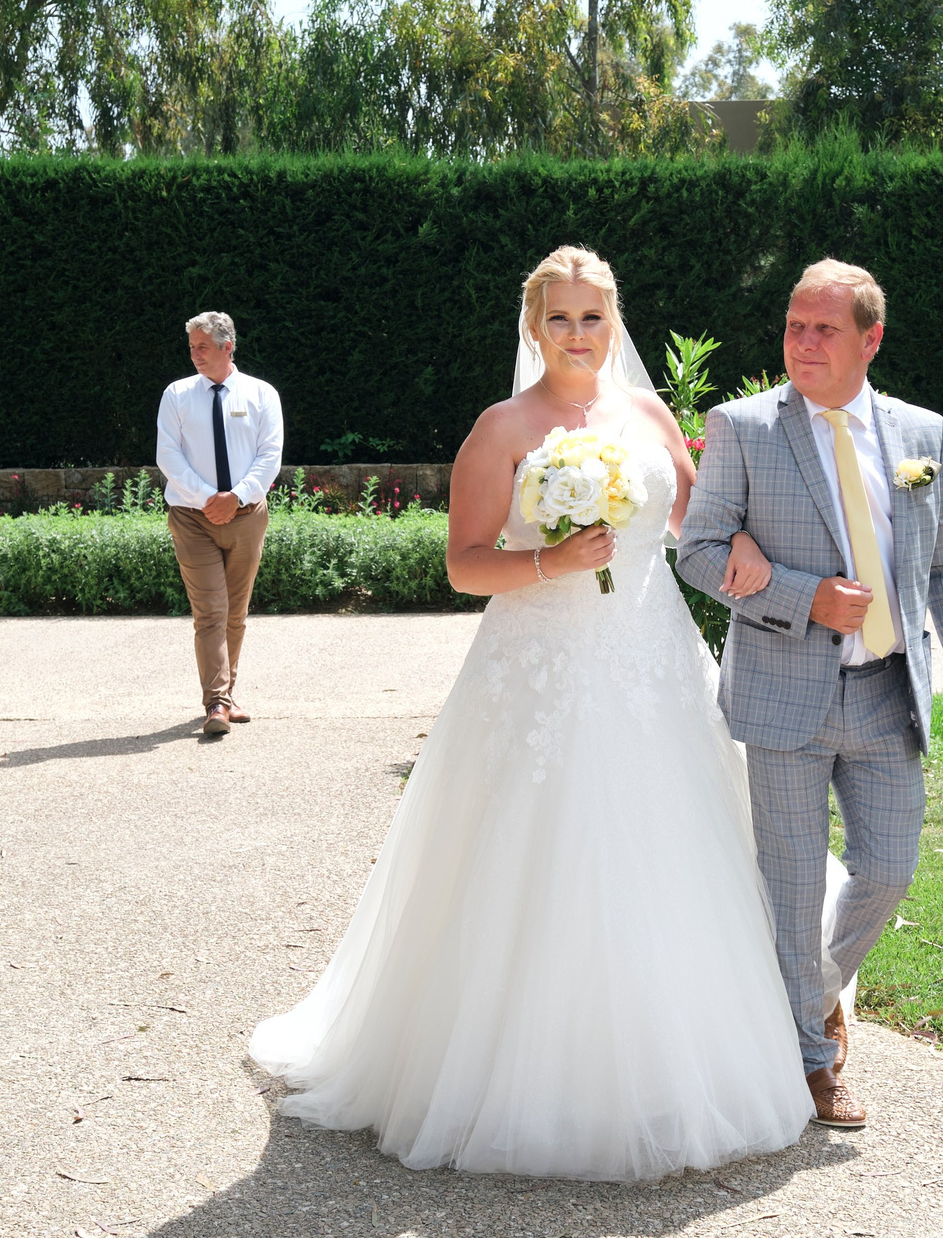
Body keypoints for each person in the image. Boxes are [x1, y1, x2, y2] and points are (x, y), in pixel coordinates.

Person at [248, 248, 811, 1182]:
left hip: (653, 658)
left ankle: (684, 1061)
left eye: (593, 318)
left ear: (616, 322)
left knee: (673, 846)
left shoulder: (650, 414)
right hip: (538, 667)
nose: (578, 335)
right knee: (532, 852)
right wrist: (552, 559)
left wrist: (755, 550)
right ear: (532, 325)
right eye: (560, 318)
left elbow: (694, 522)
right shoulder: (502, 427)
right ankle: (522, 1081)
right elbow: (465, 562)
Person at [677, 258, 943, 1131]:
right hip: (785, 692)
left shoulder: (919, 433)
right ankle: (815, 1063)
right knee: (789, 880)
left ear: (871, 339)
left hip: (887, 690)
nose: (804, 342)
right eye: (794, 325)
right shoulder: (742, 427)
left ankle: (809, 992)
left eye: (824, 329)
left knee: (890, 869)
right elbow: (699, 552)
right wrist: (800, 594)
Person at [157, 311, 284, 734]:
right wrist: (208, 500)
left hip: (247, 516)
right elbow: (168, 456)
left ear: (228, 347)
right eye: (191, 347)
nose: (194, 354)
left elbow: (270, 455)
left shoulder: (262, 394)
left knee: (235, 612)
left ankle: (227, 694)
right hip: (192, 519)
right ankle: (216, 702)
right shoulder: (176, 394)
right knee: (209, 610)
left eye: (203, 347)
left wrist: (237, 497)